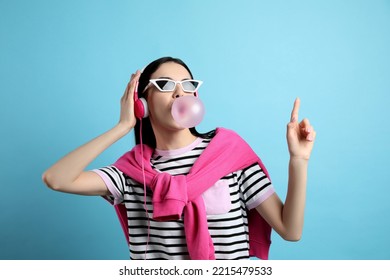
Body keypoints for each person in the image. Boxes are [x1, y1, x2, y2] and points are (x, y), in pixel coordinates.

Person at [42, 56, 316, 260]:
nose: (179, 92)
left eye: (187, 84)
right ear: (143, 104)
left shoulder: (230, 154)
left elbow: (290, 230)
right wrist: (122, 127)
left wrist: (298, 160)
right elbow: (56, 179)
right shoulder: (131, 173)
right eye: (164, 84)